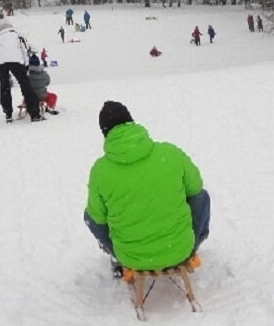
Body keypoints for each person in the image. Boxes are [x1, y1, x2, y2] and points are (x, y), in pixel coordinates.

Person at [84, 101, 210, 274]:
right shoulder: (169, 153)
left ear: (105, 133)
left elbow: (97, 217)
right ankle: (192, 242)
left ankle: (117, 255)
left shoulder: (100, 170)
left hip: (131, 257)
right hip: (179, 250)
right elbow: (196, 188)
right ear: (131, 121)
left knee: (89, 215)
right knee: (202, 197)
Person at [0, 19, 41, 123]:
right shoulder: (17, 34)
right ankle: (34, 113)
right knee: (25, 85)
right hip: (16, 60)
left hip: (0, 62)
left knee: (4, 87)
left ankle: (8, 113)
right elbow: (25, 49)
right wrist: (26, 65)